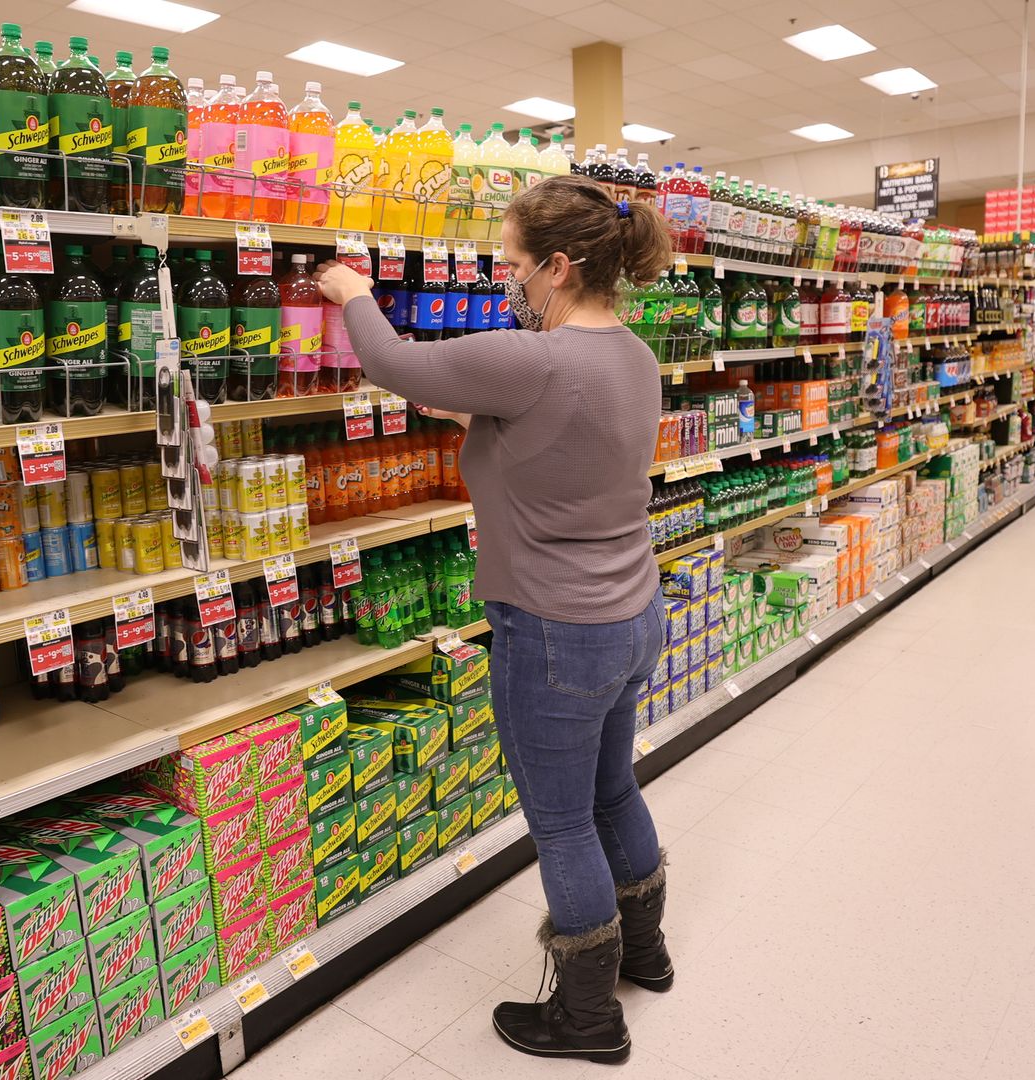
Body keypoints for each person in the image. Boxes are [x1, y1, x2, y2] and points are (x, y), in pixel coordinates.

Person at [315, 175, 675, 1065]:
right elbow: (563, 427)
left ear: (557, 266)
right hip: (632, 612)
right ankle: (648, 955)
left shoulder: (534, 358)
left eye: (513, 264)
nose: (506, 279)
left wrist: (355, 294)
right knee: (613, 788)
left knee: (559, 822)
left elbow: (392, 365)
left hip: (554, 628)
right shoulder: (632, 352)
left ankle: (588, 1018)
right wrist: (479, 405)